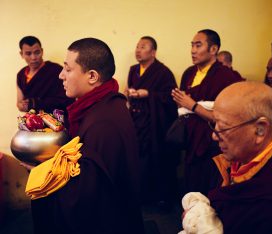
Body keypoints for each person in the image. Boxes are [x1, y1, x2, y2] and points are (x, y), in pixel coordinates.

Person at [29, 38, 145, 234]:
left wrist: (42, 172)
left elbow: (87, 197)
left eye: (67, 69)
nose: (61, 75)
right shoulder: (105, 105)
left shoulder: (103, 124)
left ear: (92, 76)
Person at [205, 81, 272, 233]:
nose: (214, 136)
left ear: (260, 130)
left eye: (222, 128)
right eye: (214, 124)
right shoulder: (244, 155)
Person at [171, 29, 243, 195]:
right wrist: (181, 103)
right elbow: (184, 106)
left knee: (209, 186)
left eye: (198, 45)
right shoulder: (189, 73)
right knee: (190, 183)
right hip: (191, 138)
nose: (193, 50)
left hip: (213, 143)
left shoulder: (226, 76)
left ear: (213, 49)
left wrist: (192, 106)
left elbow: (228, 117)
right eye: (192, 45)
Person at [125, 36, 179, 210]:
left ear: (153, 52)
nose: (138, 50)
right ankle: (142, 196)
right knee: (138, 158)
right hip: (136, 121)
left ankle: (160, 198)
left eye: (143, 46)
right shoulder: (134, 70)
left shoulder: (163, 72)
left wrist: (148, 94)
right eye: (137, 46)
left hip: (155, 124)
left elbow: (171, 98)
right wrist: (129, 94)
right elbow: (131, 93)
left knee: (156, 158)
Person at [17, 36, 74, 114]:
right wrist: (22, 105)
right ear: (21, 54)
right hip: (33, 121)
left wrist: (34, 103)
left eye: (37, 52)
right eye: (28, 53)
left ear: (42, 51)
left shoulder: (56, 70)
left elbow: (68, 99)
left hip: (57, 120)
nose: (33, 57)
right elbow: (19, 102)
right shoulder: (21, 75)